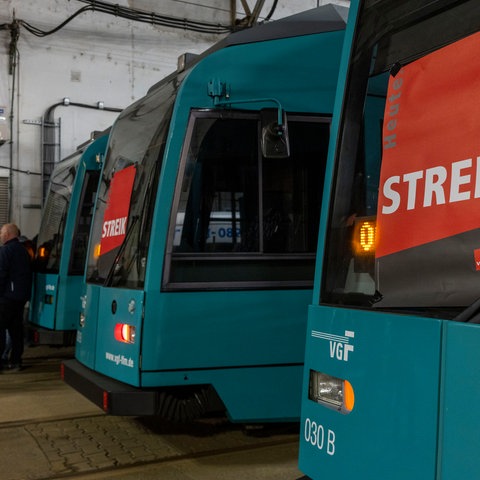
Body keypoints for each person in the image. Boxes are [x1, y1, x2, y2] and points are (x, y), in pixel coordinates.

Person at [0, 223, 32, 371]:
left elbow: (1, 275)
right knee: (16, 331)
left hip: (7, 298)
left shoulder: (6, 251)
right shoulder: (24, 251)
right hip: (20, 298)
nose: (0, 236)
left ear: (7, 234)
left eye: (1, 233)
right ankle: (16, 361)